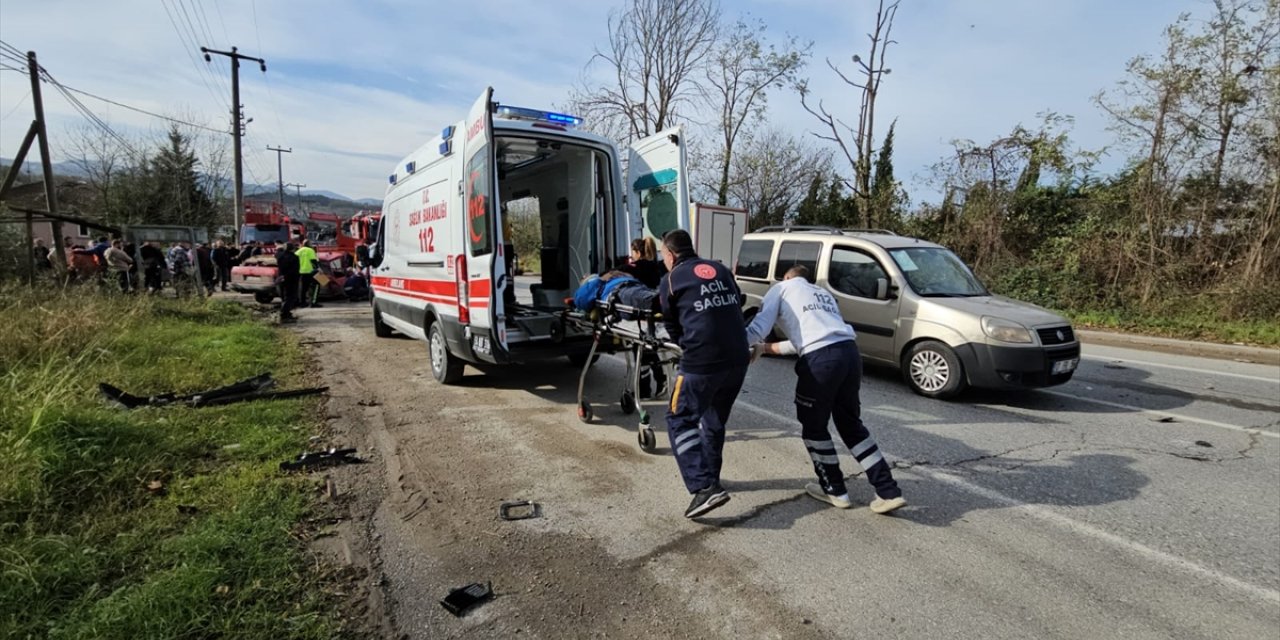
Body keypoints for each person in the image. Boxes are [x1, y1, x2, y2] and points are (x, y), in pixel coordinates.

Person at [745, 265, 906, 514]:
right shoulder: (822, 294)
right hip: (849, 353)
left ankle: (835, 490)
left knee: (814, 427)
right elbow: (806, 340)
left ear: (788, 277)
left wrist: (732, 347)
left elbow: (757, 329)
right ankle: (888, 491)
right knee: (851, 425)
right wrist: (764, 349)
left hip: (821, 361)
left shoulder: (781, 288)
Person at [658, 229, 750, 519]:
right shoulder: (721, 269)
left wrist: (687, 345)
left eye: (663, 256)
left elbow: (670, 322)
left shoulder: (671, 279)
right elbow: (737, 303)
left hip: (702, 362)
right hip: (738, 358)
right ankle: (713, 480)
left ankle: (703, 488)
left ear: (670, 254)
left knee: (679, 419)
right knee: (713, 420)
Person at [621, 236, 668, 397]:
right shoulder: (656, 265)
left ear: (637, 252)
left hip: (642, 312)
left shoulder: (636, 267)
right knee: (647, 347)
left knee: (641, 349)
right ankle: (656, 382)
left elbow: (617, 271)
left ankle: (647, 387)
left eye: (632, 251)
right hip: (655, 312)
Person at [275, 241, 300, 323]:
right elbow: (295, 270)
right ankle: (284, 315)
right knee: (290, 297)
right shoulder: (294, 257)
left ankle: (286, 313)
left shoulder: (280, 256)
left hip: (281, 278)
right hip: (291, 279)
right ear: (292, 249)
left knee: (285, 297)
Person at [295, 239, 319, 308]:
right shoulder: (310, 250)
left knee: (303, 288)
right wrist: (318, 269)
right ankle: (313, 302)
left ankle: (302, 303)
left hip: (301, 272)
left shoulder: (298, 251)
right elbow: (313, 261)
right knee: (316, 286)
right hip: (311, 271)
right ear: (309, 244)